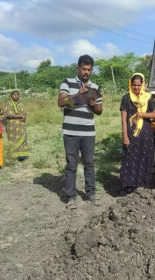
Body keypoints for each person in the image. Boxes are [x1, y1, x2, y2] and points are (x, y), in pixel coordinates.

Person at [58, 54, 102, 209]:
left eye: (89, 70)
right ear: (78, 68)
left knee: (89, 164)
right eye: (84, 69)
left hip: (88, 132)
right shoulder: (67, 82)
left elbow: (99, 111)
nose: (86, 72)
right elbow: (61, 102)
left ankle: (90, 193)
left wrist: (91, 103)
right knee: (72, 164)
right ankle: (71, 197)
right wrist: (78, 96)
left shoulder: (95, 87)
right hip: (71, 132)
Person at [119, 73, 155, 195]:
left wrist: (142, 114)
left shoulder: (148, 98)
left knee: (144, 158)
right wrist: (125, 137)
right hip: (131, 134)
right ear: (130, 85)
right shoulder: (126, 98)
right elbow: (124, 119)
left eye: (138, 85)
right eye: (134, 85)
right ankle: (128, 187)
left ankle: (142, 186)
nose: (136, 88)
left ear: (142, 85)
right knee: (129, 159)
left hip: (145, 134)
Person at [2, 90, 29, 161]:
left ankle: (23, 155)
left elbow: (24, 112)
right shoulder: (8, 104)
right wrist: (20, 116)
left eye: (17, 95)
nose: (16, 96)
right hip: (12, 126)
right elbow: (8, 115)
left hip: (21, 125)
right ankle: (14, 155)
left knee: (23, 139)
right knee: (14, 140)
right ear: (11, 96)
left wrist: (24, 117)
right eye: (14, 95)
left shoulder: (20, 103)